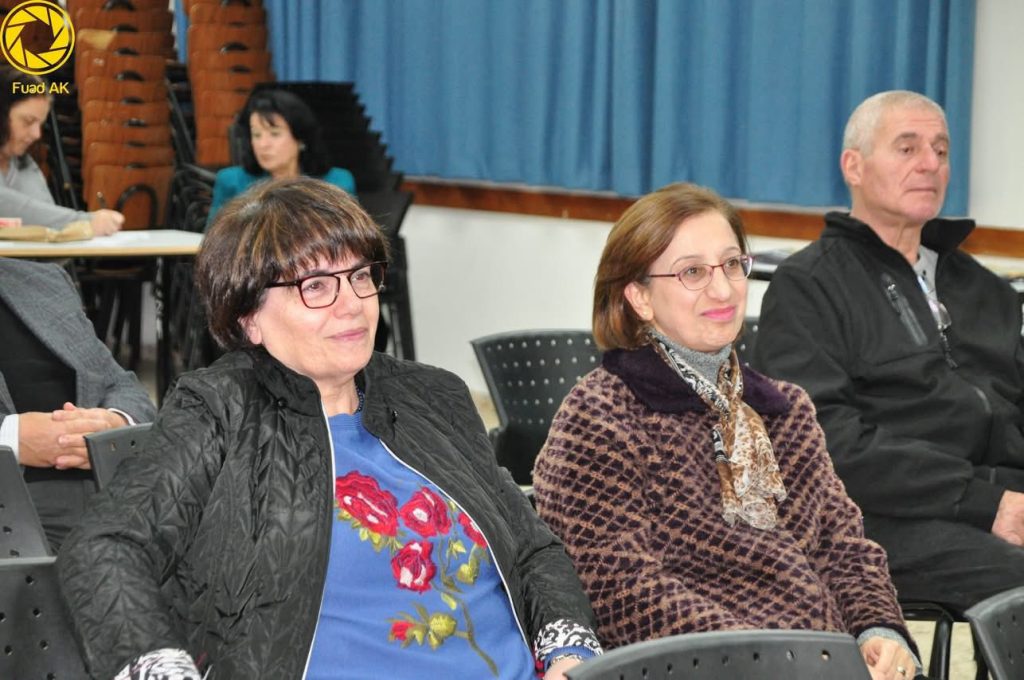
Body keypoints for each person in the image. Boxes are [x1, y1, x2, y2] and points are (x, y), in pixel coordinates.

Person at [58, 177, 601, 680]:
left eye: (360, 276)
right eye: (315, 286)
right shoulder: (220, 409)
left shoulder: (434, 396)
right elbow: (105, 547)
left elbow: (532, 549)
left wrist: (570, 654)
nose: (352, 305)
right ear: (249, 317)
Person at [533, 182, 921, 680]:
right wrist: (769, 659)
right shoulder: (599, 415)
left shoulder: (782, 409)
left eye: (732, 264)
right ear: (639, 297)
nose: (723, 290)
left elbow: (841, 544)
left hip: (819, 659)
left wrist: (878, 629)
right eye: (693, 272)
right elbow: (619, 590)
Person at [750, 90, 1024, 612]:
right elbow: (821, 441)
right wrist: (987, 503)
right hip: (878, 514)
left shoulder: (984, 288)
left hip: (998, 495)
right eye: (907, 148)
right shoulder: (809, 285)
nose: (930, 164)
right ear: (853, 166)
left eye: (941, 151)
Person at [0, 257, 156, 551]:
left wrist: (113, 423)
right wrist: (12, 438)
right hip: (18, 509)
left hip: (112, 491)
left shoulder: (44, 281)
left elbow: (122, 385)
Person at [0, 65, 124, 234]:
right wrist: (84, 222)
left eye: (40, 124)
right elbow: (5, 205)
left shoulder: (23, 163)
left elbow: (46, 220)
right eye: (28, 121)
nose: (36, 134)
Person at [208, 89, 357, 222]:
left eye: (274, 134)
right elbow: (214, 240)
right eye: (256, 134)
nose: (263, 144)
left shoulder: (337, 183)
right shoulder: (232, 182)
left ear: (300, 139)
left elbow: (353, 240)